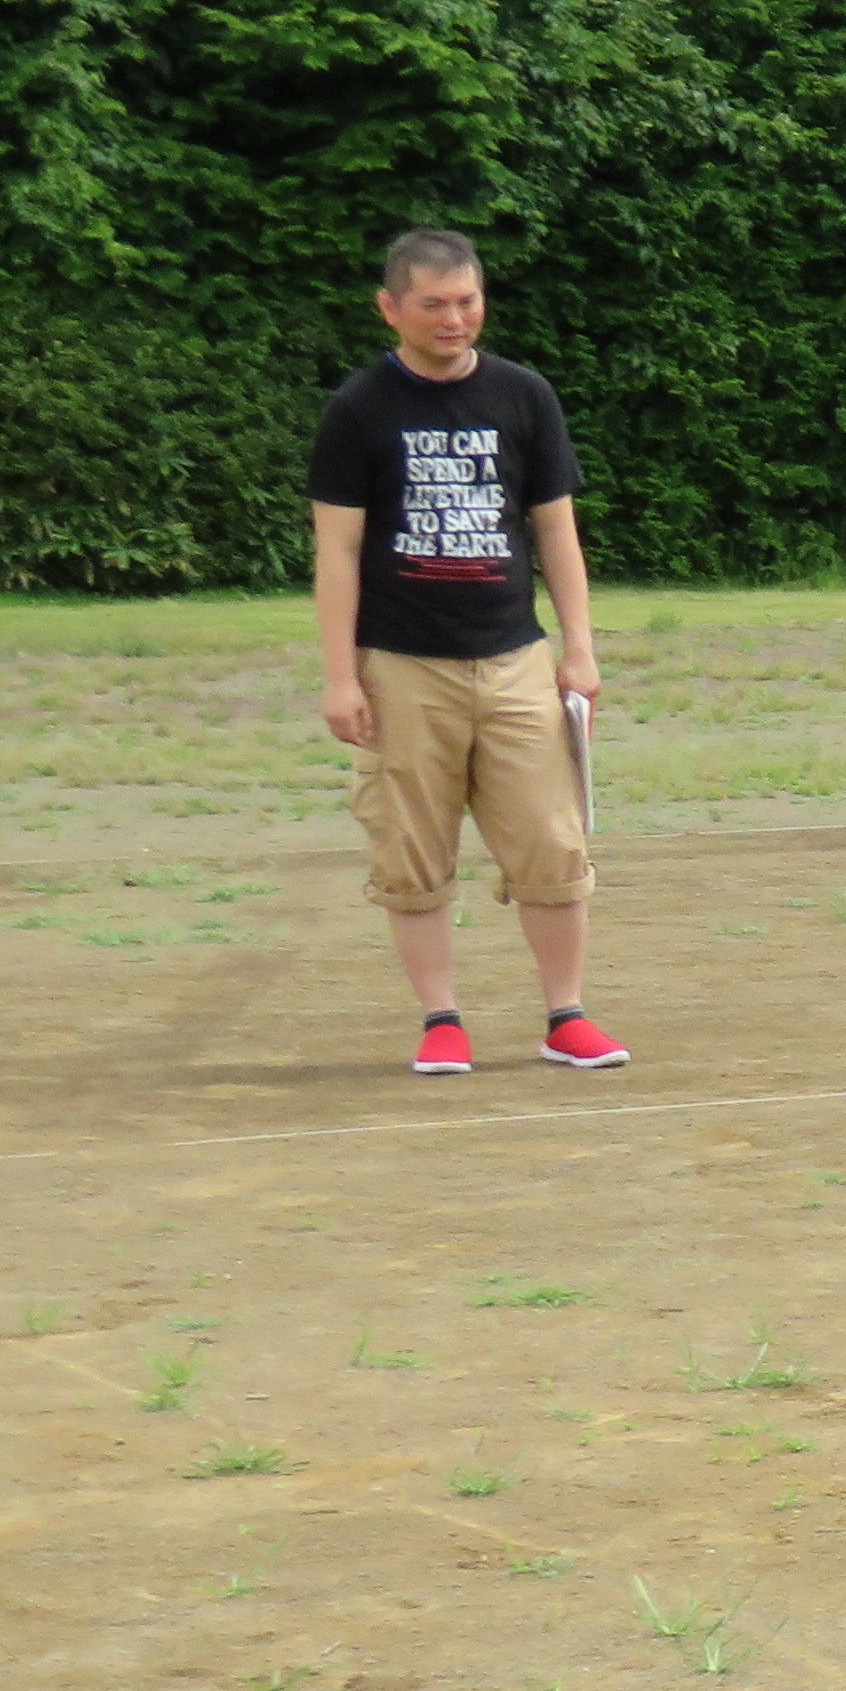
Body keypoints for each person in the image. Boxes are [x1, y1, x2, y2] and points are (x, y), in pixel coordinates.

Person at [304, 226, 621, 1074]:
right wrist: (342, 678)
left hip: (514, 656)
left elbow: (556, 532)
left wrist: (578, 648)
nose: (455, 319)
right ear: (391, 308)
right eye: (434, 304)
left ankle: (567, 1016)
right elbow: (335, 552)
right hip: (403, 664)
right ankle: (440, 1020)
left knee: (553, 842)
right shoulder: (360, 409)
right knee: (411, 846)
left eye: (468, 301)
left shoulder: (524, 396)